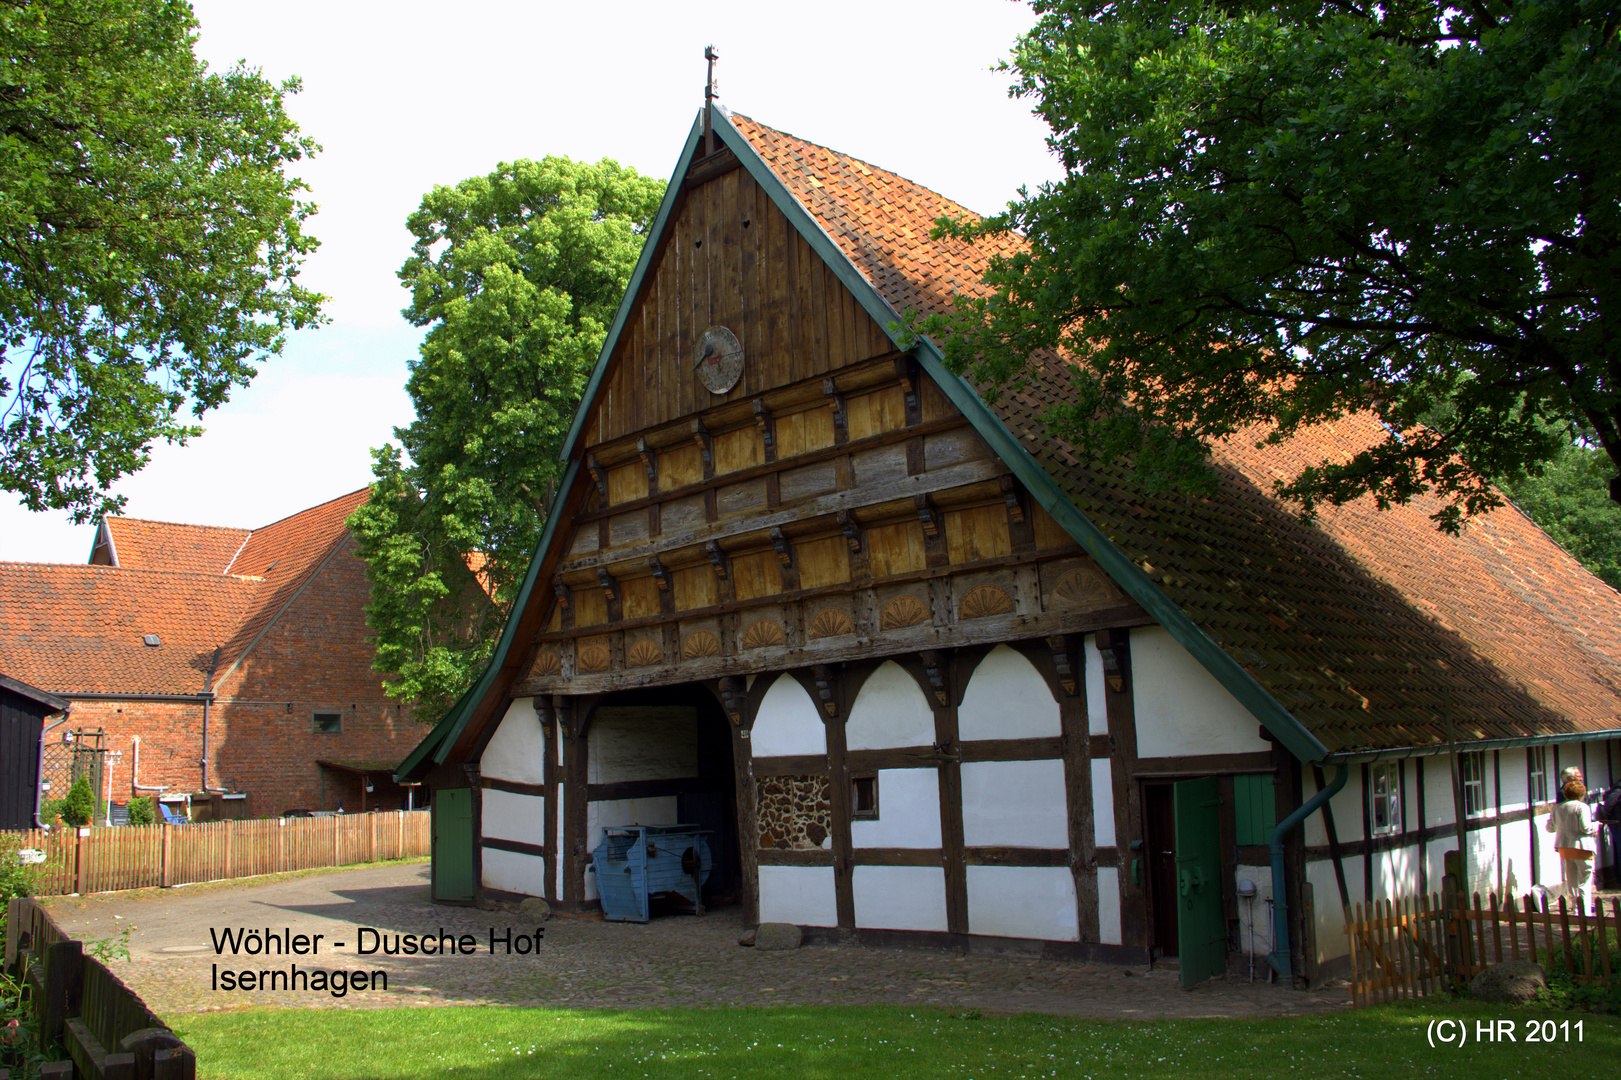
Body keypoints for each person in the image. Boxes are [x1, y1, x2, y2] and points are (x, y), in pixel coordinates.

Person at [1548, 775, 1600, 914]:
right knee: (1585, 880)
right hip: (1581, 847)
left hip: (1565, 848)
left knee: (1571, 880)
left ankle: (1576, 908)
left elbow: (1550, 828)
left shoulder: (1557, 808)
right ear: (1581, 794)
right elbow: (1586, 828)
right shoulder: (1582, 807)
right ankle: (1585, 910)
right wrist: (1596, 826)